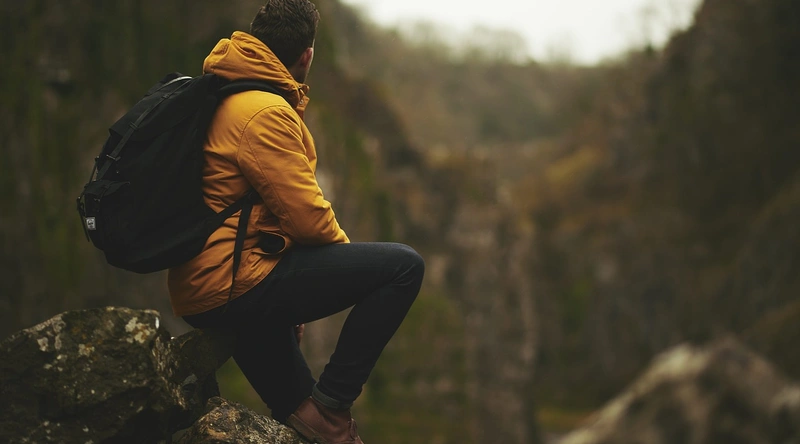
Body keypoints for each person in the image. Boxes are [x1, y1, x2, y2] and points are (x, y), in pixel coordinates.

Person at [167, 1, 425, 443]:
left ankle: (325, 420)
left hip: (209, 283)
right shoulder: (263, 111)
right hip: (232, 283)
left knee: (305, 419)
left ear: (255, 39)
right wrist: (330, 274)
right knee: (403, 267)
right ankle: (335, 404)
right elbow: (308, 218)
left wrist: (294, 289)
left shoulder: (225, 92)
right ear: (306, 56)